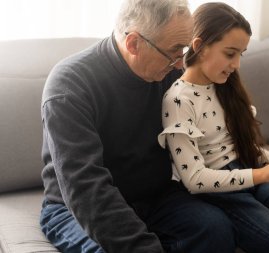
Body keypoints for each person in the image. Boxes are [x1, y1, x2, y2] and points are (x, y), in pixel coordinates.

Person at [39, 1, 241, 252]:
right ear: (134, 43)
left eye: (185, 48)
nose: (181, 64)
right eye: (175, 51)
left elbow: (210, 138)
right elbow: (86, 188)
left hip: (155, 197)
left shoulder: (171, 74)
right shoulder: (70, 86)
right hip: (74, 206)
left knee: (216, 229)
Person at [158, 2, 269, 253]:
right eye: (230, 53)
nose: (237, 64)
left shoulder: (225, 86)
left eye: (241, 54)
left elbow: (240, 148)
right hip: (220, 191)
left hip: (249, 173)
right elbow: (194, 179)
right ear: (199, 47)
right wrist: (264, 173)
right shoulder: (178, 101)